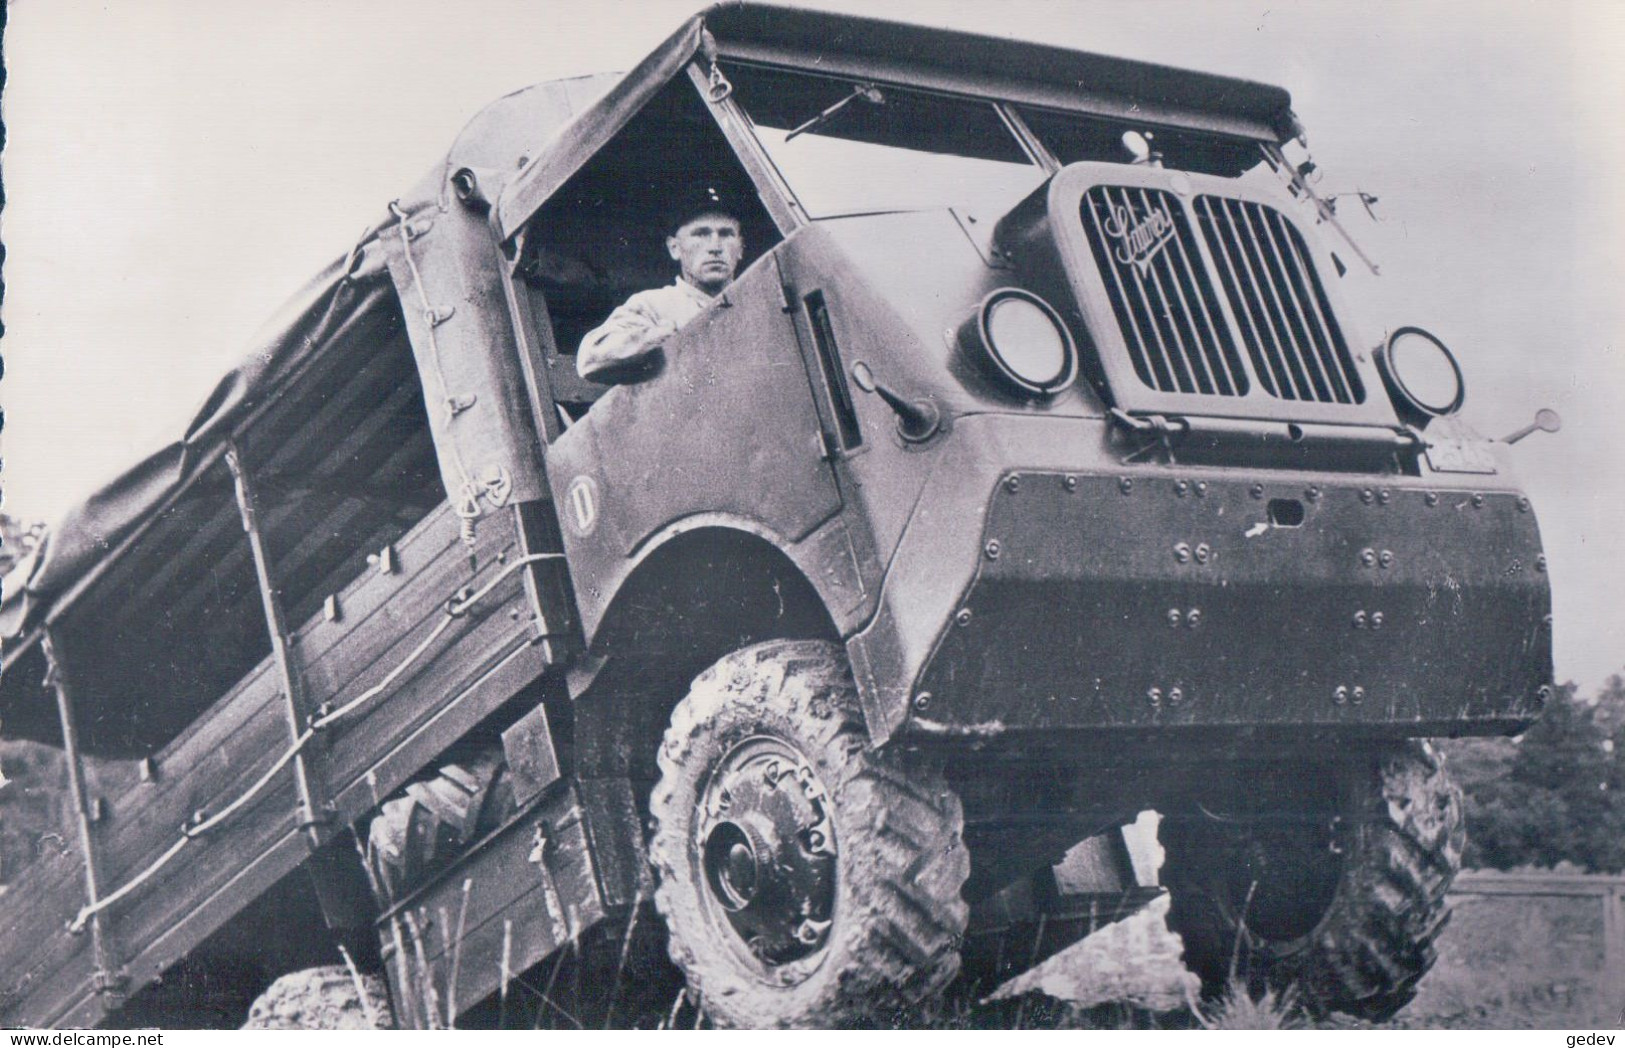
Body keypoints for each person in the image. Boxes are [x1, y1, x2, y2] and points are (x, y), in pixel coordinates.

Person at [576, 187, 745, 383]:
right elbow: (590, 357)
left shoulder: (758, 300)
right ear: (674, 248)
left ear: (740, 248)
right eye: (700, 234)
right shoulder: (655, 304)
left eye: (726, 234)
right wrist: (664, 337)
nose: (715, 247)